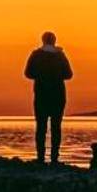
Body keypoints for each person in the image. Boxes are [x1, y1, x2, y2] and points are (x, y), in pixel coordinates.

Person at [24, 30, 73, 164]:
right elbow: (69, 74)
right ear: (54, 41)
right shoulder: (60, 56)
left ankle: (40, 157)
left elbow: (27, 73)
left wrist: (40, 75)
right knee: (56, 127)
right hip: (58, 95)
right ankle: (54, 158)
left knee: (41, 127)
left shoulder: (36, 55)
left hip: (41, 94)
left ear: (43, 40)